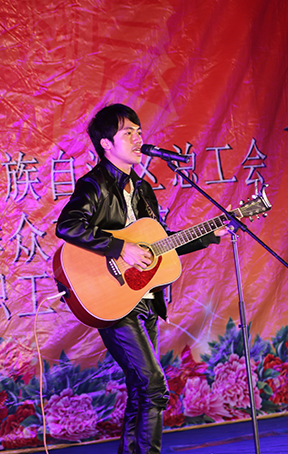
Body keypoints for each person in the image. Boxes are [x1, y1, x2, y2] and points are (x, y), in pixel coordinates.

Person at [55, 103, 225, 454]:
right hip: (113, 301)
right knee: (154, 386)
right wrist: (119, 248)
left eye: (139, 131)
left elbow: (157, 245)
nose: (138, 138)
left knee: (141, 388)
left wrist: (210, 235)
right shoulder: (95, 184)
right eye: (127, 133)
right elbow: (68, 225)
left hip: (144, 299)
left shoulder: (144, 190)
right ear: (106, 144)